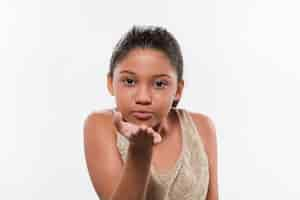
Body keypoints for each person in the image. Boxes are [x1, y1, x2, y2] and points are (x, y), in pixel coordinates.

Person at [83, 25, 219, 200]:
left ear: (178, 90)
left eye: (159, 84)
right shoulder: (101, 125)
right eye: (130, 81)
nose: (143, 98)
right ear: (111, 83)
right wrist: (140, 151)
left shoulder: (201, 126)